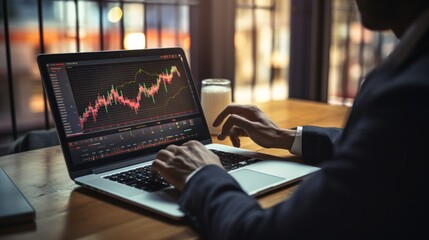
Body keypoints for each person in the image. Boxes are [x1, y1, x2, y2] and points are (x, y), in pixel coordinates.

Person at [151, 0, 429, 238]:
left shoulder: (409, 94)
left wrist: (202, 175)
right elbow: (385, 152)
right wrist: (286, 137)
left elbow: (262, 234)